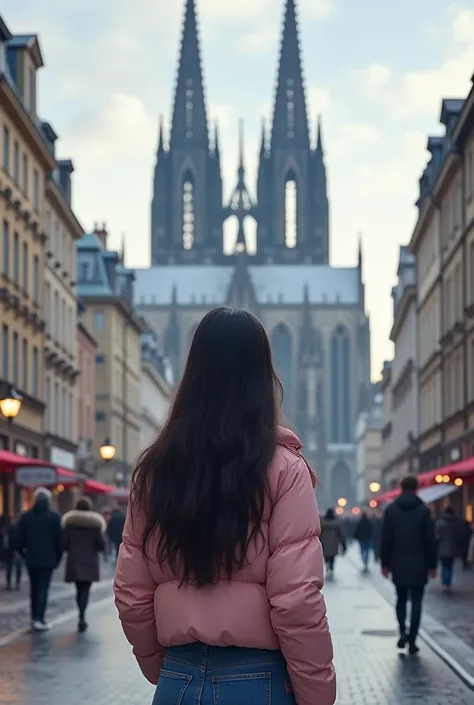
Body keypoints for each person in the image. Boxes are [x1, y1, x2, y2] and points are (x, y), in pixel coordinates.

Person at [114, 307, 336, 705]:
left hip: (176, 680)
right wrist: (317, 695)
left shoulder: (154, 470)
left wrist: (164, 666)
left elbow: (131, 592)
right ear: (263, 376)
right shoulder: (285, 469)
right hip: (257, 681)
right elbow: (297, 598)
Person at [381, 475, 437, 654]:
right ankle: (412, 638)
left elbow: (385, 539)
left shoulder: (391, 510)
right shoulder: (424, 510)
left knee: (401, 599)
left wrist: (385, 563)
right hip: (419, 563)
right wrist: (432, 564)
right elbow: (430, 540)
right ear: (417, 488)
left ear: (400, 488)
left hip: (398, 562)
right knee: (417, 601)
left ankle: (402, 631)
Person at [17, 487, 62, 631]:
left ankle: (33, 617)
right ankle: (39, 619)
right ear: (48, 501)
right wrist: (57, 558)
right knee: (43, 588)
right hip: (48, 559)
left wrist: (25, 555)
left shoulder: (26, 516)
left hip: (32, 558)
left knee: (34, 589)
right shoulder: (54, 517)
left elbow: (19, 540)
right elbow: (59, 541)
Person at [62, 497, 106, 632]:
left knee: (78, 589)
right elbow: (101, 545)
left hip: (74, 561)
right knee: (85, 590)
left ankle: (80, 614)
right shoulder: (95, 525)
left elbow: (63, 544)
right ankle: (82, 615)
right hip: (90, 562)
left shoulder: (70, 524)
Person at [436, 506, 462, 592]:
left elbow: (437, 536)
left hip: (442, 548)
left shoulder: (439, 523)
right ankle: (448, 583)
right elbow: (458, 536)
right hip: (452, 548)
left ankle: (445, 582)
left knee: (444, 566)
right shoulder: (455, 524)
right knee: (450, 566)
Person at [320, 508, 346, 577]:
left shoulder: (322, 523)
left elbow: (319, 533)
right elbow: (341, 534)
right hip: (334, 543)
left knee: (326, 556)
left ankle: (327, 565)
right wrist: (343, 545)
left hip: (324, 542)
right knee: (332, 557)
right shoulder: (336, 523)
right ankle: (331, 568)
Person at [4, 514, 23, 591]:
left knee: (9, 568)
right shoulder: (18, 528)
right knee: (18, 568)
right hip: (17, 550)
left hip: (9, 550)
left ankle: (9, 583)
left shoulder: (6, 529)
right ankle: (17, 583)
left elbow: (6, 541)